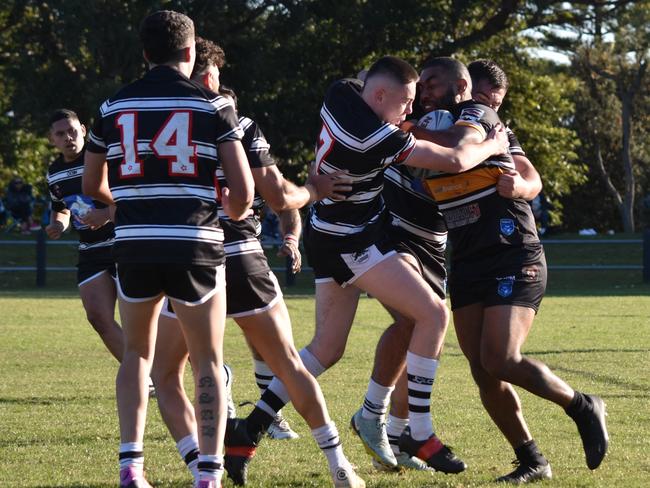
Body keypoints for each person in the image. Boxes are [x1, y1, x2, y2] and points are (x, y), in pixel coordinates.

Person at [225, 55, 509, 480]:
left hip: (327, 233)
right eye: (405, 102)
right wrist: (493, 144)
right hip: (351, 241)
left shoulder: (339, 93)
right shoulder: (373, 138)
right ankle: (419, 432)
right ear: (379, 95)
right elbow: (453, 161)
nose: (409, 111)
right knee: (432, 313)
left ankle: (248, 431)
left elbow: (358, 97)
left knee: (325, 349)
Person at [151, 37, 365, 488]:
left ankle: (199, 468)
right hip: (238, 256)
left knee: (165, 373)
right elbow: (280, 195)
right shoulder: (235, 121)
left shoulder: (152, 122)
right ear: (208, 76)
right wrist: (315, 191)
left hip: (185, 259)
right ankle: (338, 464)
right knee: (289, 363)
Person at [408, 56, 608, 483]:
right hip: (465, 258)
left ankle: (583, 405)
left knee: (500, 358)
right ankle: (532, 459)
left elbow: (510, 170)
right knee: (482, 367)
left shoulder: (475, 115)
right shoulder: (420, 120)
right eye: (420, 82)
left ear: (460, 85)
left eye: (432, 81)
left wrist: (519, 184)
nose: (423, 88)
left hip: (510, 250)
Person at [83, 11, 255, 488]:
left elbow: (92, 184)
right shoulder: (214, 106)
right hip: (195, 243)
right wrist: (227, 206)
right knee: (206, 360)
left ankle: (131, 466)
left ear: (144, 53)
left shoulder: (112, 106)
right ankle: (209, 473)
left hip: (135, 244)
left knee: (138, 353)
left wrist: (132, 203)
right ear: (191, 52)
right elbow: (241, 196)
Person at [357, 57, 546, 474]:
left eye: (491, 103)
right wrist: (482, 146)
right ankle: (387, 422)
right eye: (479, 99)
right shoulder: (415, 106)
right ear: (463, 86)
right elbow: (455, 153)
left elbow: (532, 177)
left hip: (451, 243)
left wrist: (519, 186)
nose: (482, 109)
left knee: (428, 335)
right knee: (421, 321)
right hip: (397, 230)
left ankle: (400, 431)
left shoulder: (487, 122)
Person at [45, 109, 126, 366]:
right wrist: (58, 224)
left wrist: (105, 214)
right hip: (90, 250)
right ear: (51, 140)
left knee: (146, 323)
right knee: (98, 317)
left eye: (72, 130)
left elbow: (129, 197)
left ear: (83, 129)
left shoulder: (104, 158)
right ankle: (144, 377)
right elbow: (61, 206)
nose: (68, 137)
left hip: (123, 244)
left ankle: (206, 369)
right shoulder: (54, 173)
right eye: (60, 134)